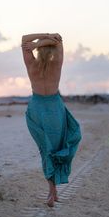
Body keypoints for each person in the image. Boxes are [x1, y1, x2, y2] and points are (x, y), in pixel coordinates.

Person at [21, 33, 82, 207]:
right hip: (54, 108)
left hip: (36, 109)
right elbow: (59, 40)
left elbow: (25, 38)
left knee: (45, 150)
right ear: (52, 50)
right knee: (59, 146)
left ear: (38, 51)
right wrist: (48, 38)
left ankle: (51, 191)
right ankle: (52, 193)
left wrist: (38, 40)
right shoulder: (57, 63)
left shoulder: (31, 64)